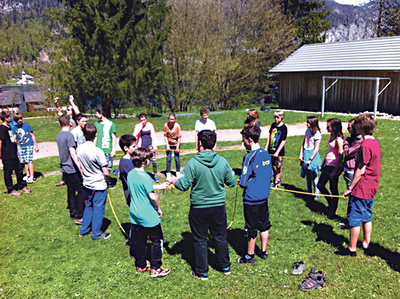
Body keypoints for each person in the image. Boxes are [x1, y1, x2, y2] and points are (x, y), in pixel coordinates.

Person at [170, 130, 236, 280]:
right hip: (218, 207)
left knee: (200, 240)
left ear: (199, 143)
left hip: (199, 208)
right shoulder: (223, 161)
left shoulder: (193, 163)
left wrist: (175, 181)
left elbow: (183, 185)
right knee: (220, 237)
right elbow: (232, 182)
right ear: (215, 144)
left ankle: (202, 271)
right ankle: (225, 266)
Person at [335, 113, 380, 257]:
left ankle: (351, 248)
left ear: (360, 127)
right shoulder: (375, 141)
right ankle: (366, 243)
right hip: (372, 186)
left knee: (354, 218)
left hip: (362, 187)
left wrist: (350, 188)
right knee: (367, 215)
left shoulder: (365, 145)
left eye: (356, 125)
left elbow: (360, 169)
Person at [127, 147, 170, 277]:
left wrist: (159, 186)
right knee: (157, 240)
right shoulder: (146, 177)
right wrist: (158, 208)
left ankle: (141, 265)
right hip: (148, 215)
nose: (150, 161)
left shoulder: (131, 174)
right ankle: (156, 268)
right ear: (145, 161)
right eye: (149, 159)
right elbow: (152, 196)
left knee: (139, 241)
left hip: (135, 214)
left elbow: (142, 187)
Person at [237, 126, 273, 263]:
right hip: (264, 196)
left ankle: (250, 256)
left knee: (251, 227)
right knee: (264, 224)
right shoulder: (266, 153)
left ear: (250, 140)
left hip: (251, 198)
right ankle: (263, 251)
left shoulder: (249, 157)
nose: (243, 142)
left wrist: (243, 181)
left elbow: (243, 181)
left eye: (244, 140)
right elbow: (270, 173)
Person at [77, 124, 111, 240]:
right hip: (99, 184)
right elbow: (105, 172)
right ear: (95, 135)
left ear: (84, 135)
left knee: (89, 206)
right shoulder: (98, 151)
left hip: (87, 183)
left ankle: (83, 230)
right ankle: (96, 233)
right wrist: (107, 181)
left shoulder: (79, 148)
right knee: (98, 209)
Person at [56, 114, 86, 224]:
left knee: (71, 190)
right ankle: (80, 216)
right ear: (71, 123)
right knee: (82, 191)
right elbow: (73, 153)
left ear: (60, 124)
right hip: (71, 168)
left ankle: (72, 213)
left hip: (64, 168)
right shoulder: (69, 136)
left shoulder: (59, 135)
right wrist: (80, 167)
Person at [337, 119, 363, 230]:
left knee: (352, 196)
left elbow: (348, 152)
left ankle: (351, 222)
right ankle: (351, 221)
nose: (348, 129)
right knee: (351, 197)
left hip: (353, 170)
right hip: (348, 168)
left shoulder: (358, 140)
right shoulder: (350, 139)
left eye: (350, 127)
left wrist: (345, 143)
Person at [317, 118, 344, 217]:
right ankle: (331, 204)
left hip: (333, 167)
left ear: (334, 127)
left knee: (333, 189)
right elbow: (330, 151)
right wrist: (323, 163)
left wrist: (336, 171)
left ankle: (333, 210)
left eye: (328, 126)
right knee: (320, 185)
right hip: (327, 165)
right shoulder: (332, 136)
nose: (326, 128)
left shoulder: (339, 139)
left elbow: (341, 155)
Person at [0, 110, 31, 196]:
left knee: (19, 170)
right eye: (10, 117)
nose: (11, 118)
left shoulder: (9, 127)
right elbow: (0, 142)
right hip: (7, 155)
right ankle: (11, 189)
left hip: (14, 154)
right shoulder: (2, 129)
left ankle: (22, 186)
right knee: (8, 172)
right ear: (5, 118)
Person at [54, 95, 80, 187]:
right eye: (68, 109)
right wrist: (56, 103)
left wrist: (71, 101)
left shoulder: (76, 119)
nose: (67, 111)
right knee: (65, 159)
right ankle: (64, 178)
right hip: (66, 139)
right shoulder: (65, 118)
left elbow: (78, 112)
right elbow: (57, 111)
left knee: (74, 158)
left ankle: (78, 174)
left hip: (74, 140)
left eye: (69, 109)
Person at [299, 116, 322, 200]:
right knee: (307, 175)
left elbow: (316, 148)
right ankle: (309, 192)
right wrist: (301, 154)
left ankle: (317, 193)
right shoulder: (307, 131)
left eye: (308, 122)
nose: (306, 124)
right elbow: (303, 142)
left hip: (312, 155)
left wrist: (310, 159)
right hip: (306, 152)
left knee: (314, 175)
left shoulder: (317, 134)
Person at [12, 114, 39, 183]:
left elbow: (33, 136)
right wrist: (14, 147)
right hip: (22, 145)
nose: (20, 120)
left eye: (21, 119)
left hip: (29, 144)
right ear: (15, 121)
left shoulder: (27, 125)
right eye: (18, 120)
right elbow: (15, 138)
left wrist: (36, 145)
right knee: (25, 161)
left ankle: (32, 177)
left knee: (29, 160)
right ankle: (28, 175)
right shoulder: (15, 127)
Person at [133, 113, 159, 182]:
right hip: (142, 146)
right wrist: (140, 127)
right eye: (141, 120)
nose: (143, 121)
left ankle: (155, 175)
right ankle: (142, 175)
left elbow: (153, 135)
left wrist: (155, 145)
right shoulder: (138, 126)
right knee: (142, 162)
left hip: (150, 146)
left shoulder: (150, 125)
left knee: (154, 161)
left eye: (144, 120)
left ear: (146, 119)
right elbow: (134, 135)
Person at [95, 108, 117, 186]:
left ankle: (107, 181)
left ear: (101, 114)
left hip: (108, 150)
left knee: (108, 167)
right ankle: (102, 181)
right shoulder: (96, 124)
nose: (95, 115)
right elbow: (95, 136)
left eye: (97, 113)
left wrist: (113, 150)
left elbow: (114, 137)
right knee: (99, 167)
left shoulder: (111, 124)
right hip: (98, 149)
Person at [266, 110, 287, 187]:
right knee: (270, 165)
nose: (276, 119)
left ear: (281, 117)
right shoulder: (273, 125)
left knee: (278, 166)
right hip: (271, 150)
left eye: (277, 117)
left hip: (279, 152)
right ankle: (275, 178)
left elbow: (283, 141)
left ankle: (277, 181)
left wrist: (277, 152)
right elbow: (269, 137)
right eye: (275, 117)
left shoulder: (283, 128)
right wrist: (266, 148)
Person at [118, 134, 137, 207]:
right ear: (126, 148)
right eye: (133, 146)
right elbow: (139, 181)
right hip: (134, 198)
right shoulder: (128, 165)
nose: (136, 148)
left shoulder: (123, 160)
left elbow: (120, 176)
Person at [163, 113, 182, 180]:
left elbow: (179, 137)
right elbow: (165, 135)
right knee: (169, 159)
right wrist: (167, 145)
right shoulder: (166, 125)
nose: (171, 120)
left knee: (177, 159)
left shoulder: (177, 126)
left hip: (176, 144)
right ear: (168, 119)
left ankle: (178, 172)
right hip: (169, 144)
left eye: (173, 119)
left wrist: (177, 147)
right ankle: (168, 173)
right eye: (170, 119)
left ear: (175, 119)